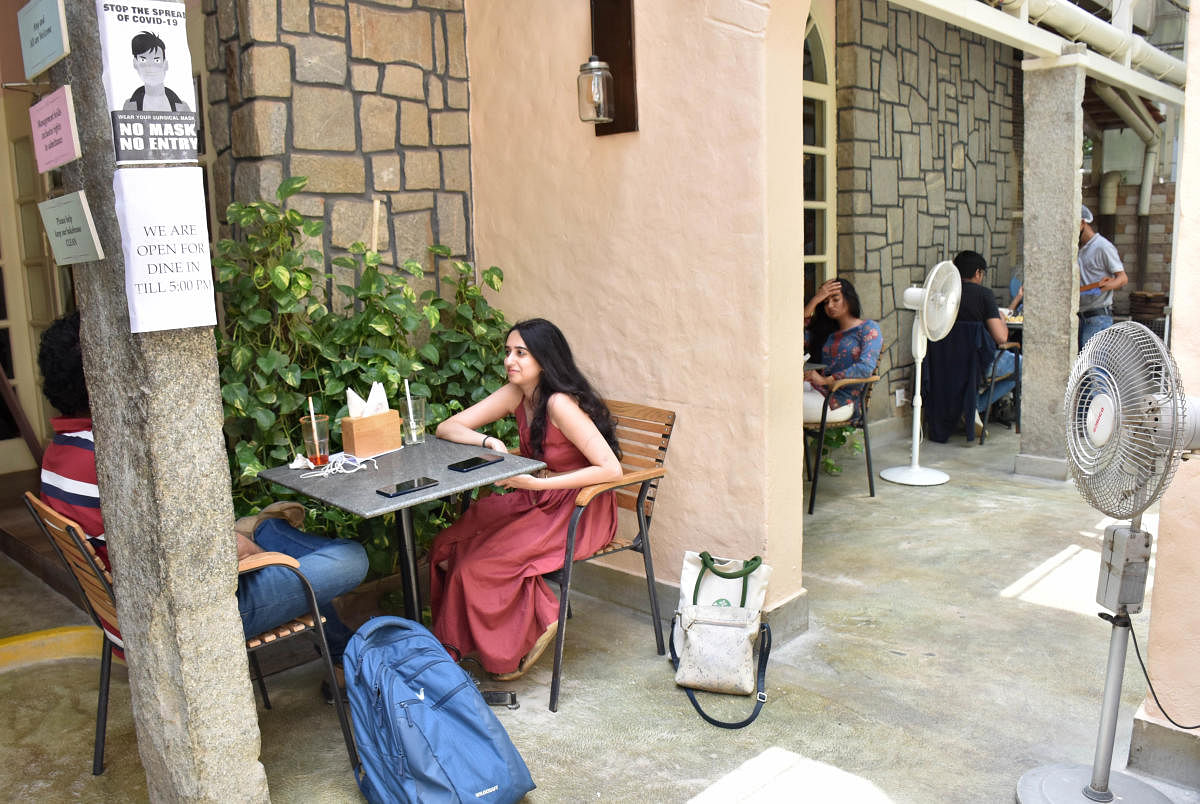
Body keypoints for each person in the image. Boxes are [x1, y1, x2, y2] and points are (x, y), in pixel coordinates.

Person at [37, 312, 366, 696]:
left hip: (130, 619)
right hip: (185, 622)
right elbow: (209, 557)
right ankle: (270, 533)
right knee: (349, 558)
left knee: (286, 560)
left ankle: (273, 539)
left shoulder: (59, 456)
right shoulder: (113, 467)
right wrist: (254, 550)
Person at [431, 318, 622, 680]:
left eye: (521, 353)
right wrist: (488, 442)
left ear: (544, 360)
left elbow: (611, 470)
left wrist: (536, 486)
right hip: (540, 498)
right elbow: (447, 427)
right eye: (507, 352)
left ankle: (539, 615)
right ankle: (480, 638)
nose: (510, 360)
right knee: (447, 546)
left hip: (577, 507)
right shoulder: (518, 392)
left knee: (479, 565)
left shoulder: (560, 404)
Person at [803, 278, 882, 424]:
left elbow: (865, 367)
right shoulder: (827, 332)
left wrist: (826, 380)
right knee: (778, 389)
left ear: (849, 298)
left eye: (835, 299)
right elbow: (794, 331)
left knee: (781, 404)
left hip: (840, 402)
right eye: (825, 302)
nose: (830, 306)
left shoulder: (868, 328)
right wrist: (816, 299)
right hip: (818, 390)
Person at [953, 251, 1020, 422]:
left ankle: (966, 406)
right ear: (977, 273)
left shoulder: (947, 295)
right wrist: (1001, 319)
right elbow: (1001, 338)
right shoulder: (983, 295)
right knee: (1022, 365)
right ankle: (973, 407)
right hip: (980, 364)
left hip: (947, 362)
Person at [1077, 205, 1127, 350]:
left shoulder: (1103, 247)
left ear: (1082, 223)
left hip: (1098, 317)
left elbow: (1122, 278)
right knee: (1085, 367)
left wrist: (1101, 288)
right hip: (1083, 317)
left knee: (1094, 367)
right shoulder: (1081, 250)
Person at [122, 31, 190, 112]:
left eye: (156, 60)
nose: (150, 67)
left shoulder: (182, 107)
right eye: (143, 60)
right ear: (135, 63)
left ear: (165, 64)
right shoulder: (130, 106)